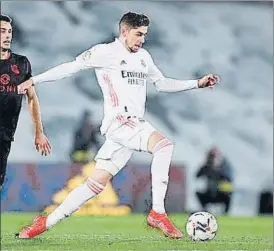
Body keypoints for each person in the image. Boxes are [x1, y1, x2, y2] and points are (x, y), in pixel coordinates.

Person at [16, 12, 220, 239]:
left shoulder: (143, 56)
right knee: (164, 146)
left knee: (94, 185)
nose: (142, 39)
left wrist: (197, 83)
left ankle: (45, 222)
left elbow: (161, 84)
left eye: (144, 35)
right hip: (120, 123)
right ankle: (158, 213)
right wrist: (34, 80)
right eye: (138, 34)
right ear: (124, 31)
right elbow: (70, 67)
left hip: (127, 131)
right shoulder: (105, 52)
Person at [0, 15, 51, 190]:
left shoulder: (21, 63)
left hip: (5, 134)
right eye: (2, 31)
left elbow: (32, 98)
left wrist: (39, 132)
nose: (7, 36)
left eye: (9, 32)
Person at [196, 146, 233, 214]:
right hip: (209, 193)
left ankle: (226, 213)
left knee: (229, 194)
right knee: (198, 193)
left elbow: (229, 179)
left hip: (220, 193)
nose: (212, 159)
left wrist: (217, 170)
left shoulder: (224, 167)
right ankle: (205, 210)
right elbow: (197, 176)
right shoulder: (206, 168)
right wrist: (206, 167)